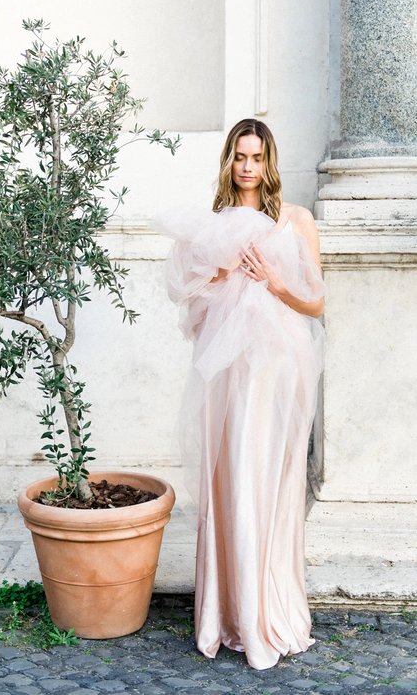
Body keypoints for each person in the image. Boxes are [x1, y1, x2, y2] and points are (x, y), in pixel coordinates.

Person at [151, 118, 325, 670]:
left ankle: (268, 605)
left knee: (269, 475)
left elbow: (317, 302)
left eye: (257, 157)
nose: (248, 167)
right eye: (240, 156)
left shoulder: (296, 219)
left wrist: (276, 283)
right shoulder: (213, 226)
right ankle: (227, 611)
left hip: (277, 368)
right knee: (232, 473)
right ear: (229, 161)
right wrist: (223, 271)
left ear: (269, 162)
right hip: (229, 371)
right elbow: (190, 296)